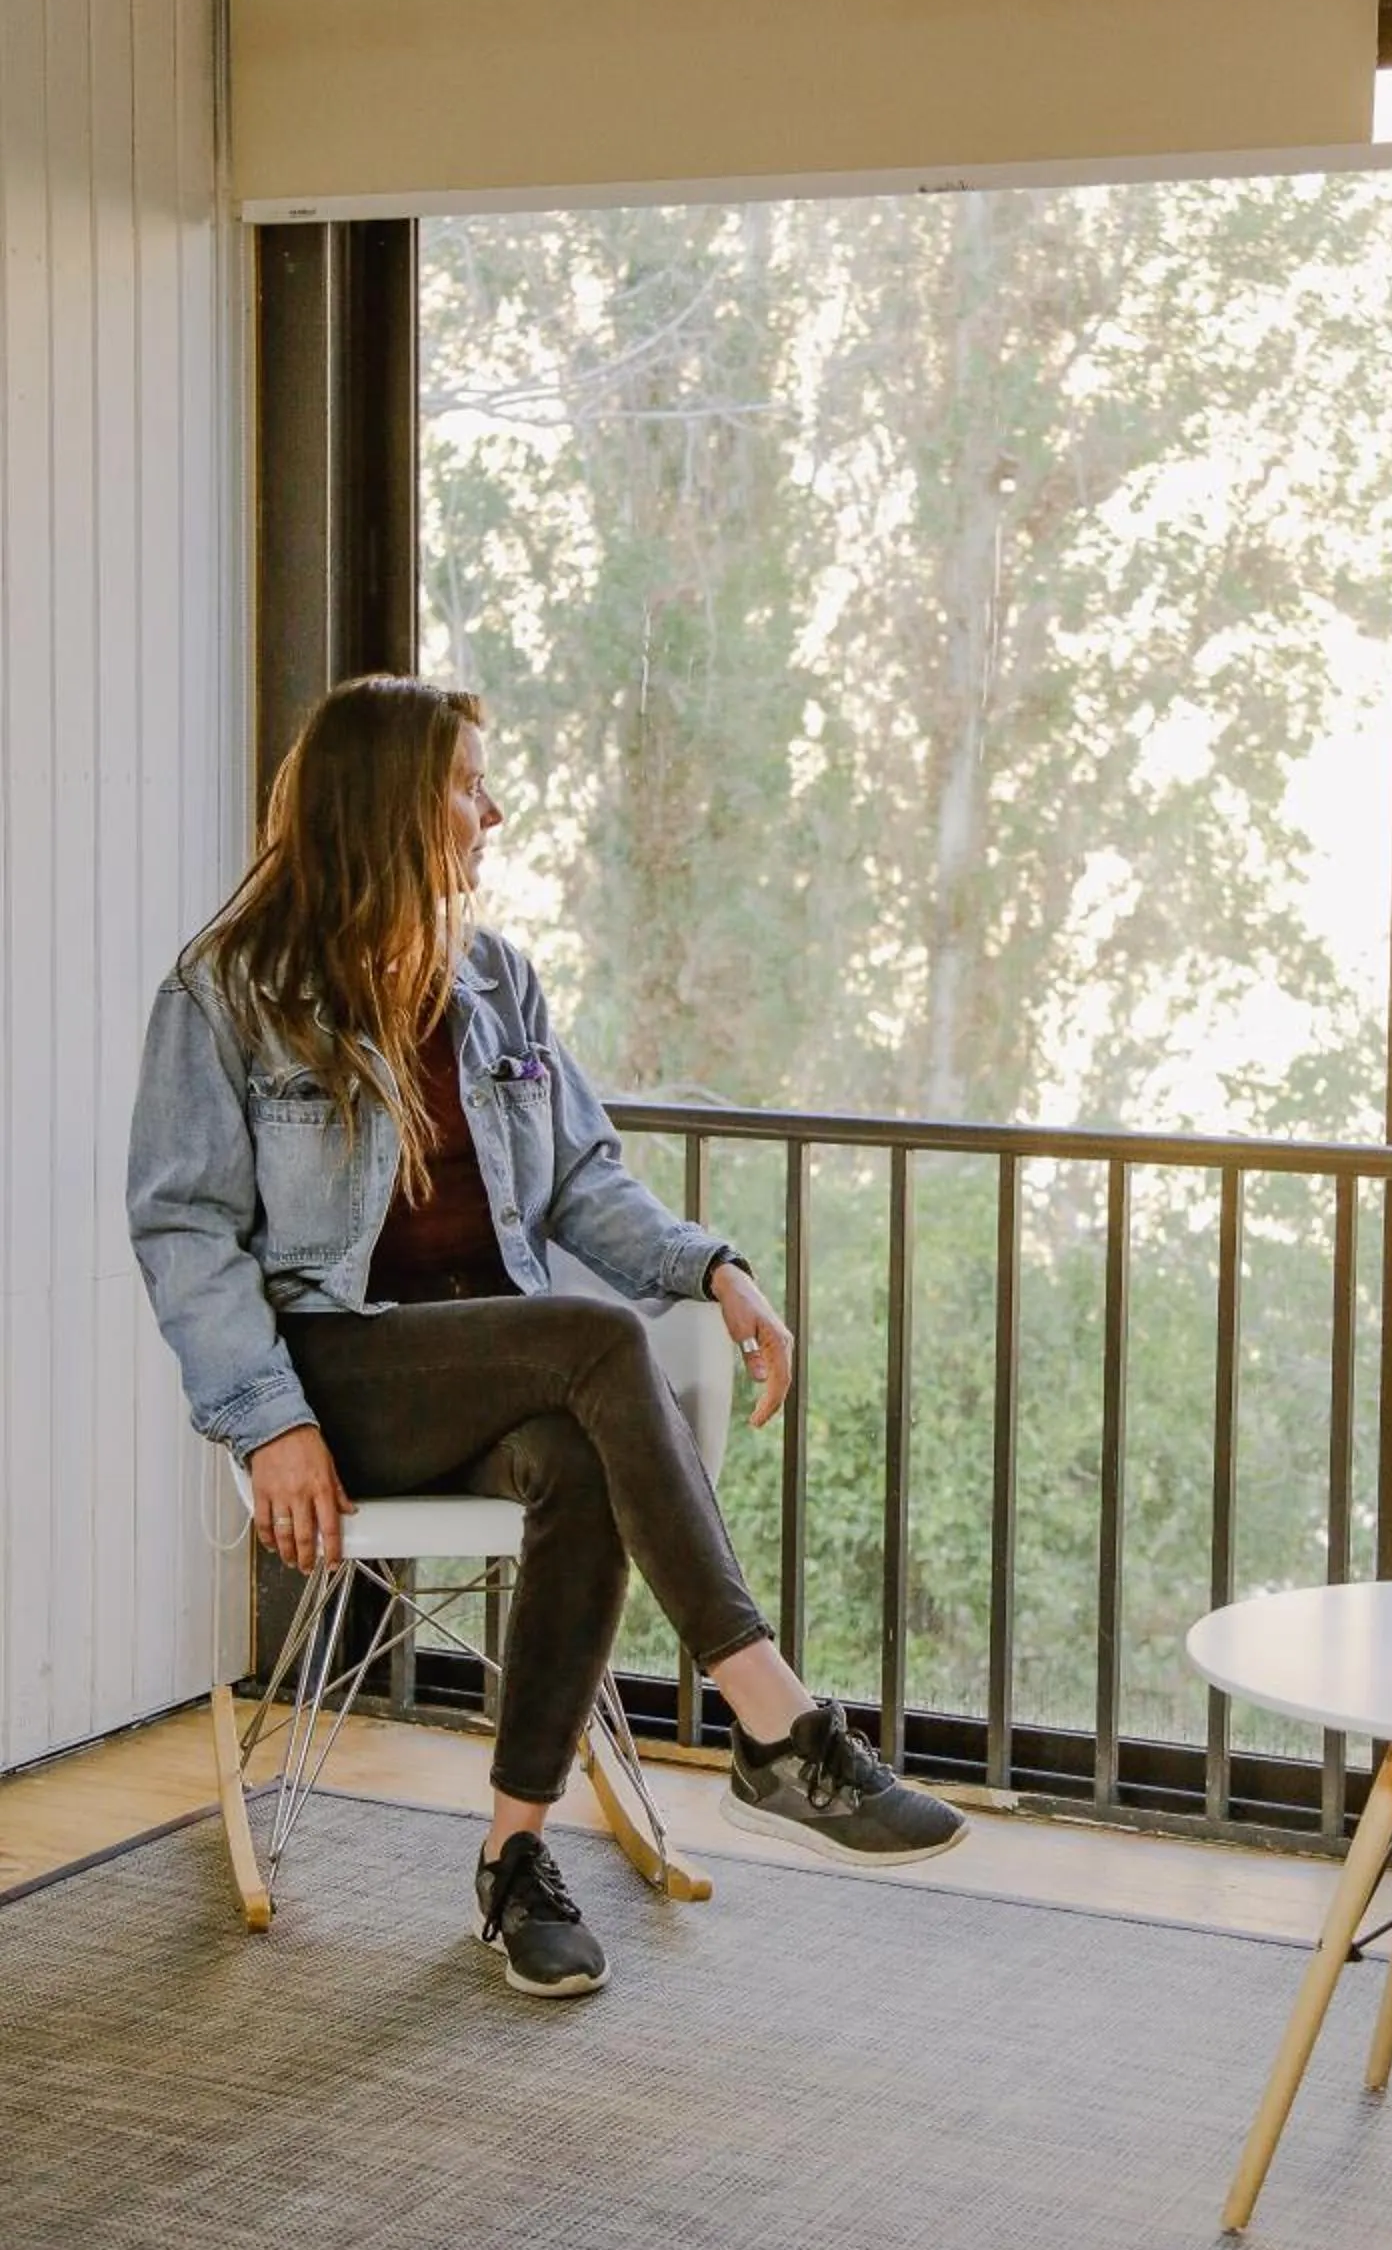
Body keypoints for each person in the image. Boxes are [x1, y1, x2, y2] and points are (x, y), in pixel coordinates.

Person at [128, 674, 964, 1998]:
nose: (493, 810)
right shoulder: (233, 990)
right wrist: (269, 1421)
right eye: (468, 784)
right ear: (392, 803)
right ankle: (777, 1723)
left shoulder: (497, 982)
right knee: (590, 1340)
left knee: (575, 1458)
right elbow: (185, 1233)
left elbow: (582, 1179)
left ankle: (515, 1861)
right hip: (331, 1376)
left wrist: (713, 1270)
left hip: (487, 1357)